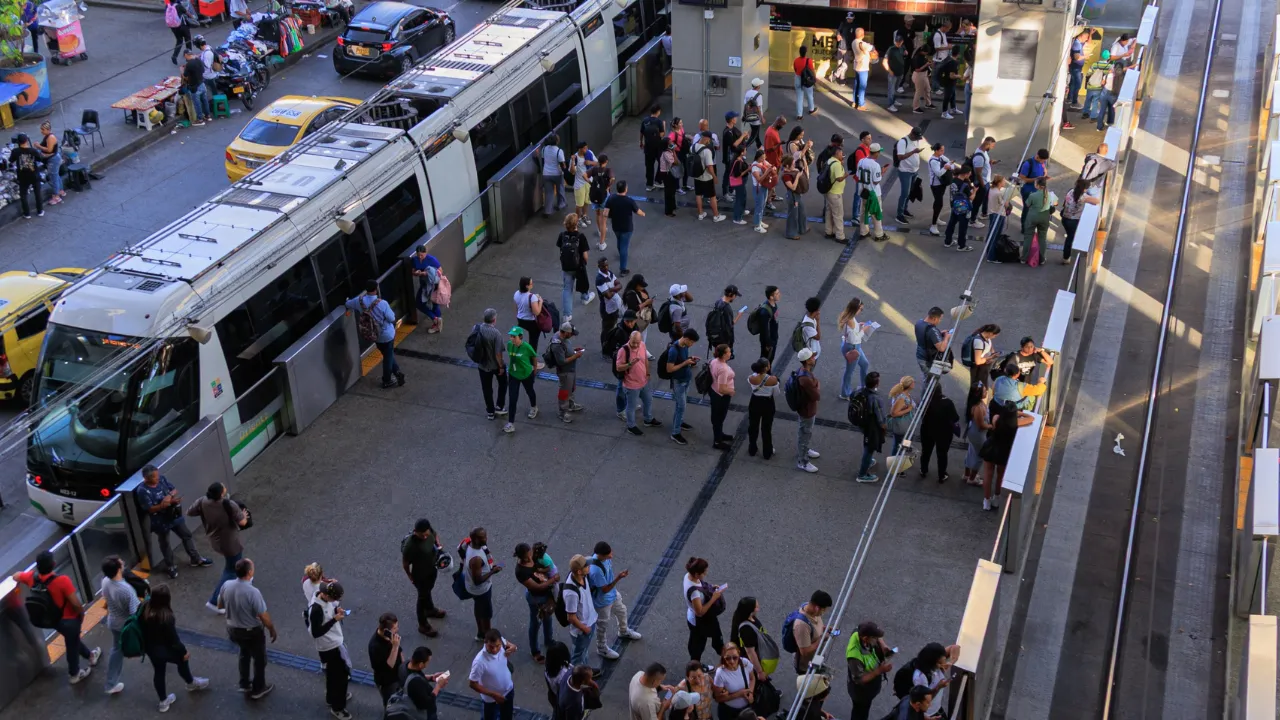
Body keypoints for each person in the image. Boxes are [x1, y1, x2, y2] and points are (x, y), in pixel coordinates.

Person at [140, 585, 209, 712]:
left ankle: (163, 701)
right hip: (165, 649)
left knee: (159, 672)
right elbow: (174, 640)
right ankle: (190, 682)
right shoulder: (166, 617)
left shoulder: (144, 607)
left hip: (150, 649)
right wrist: (184, 652)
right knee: (182, 660)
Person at [135, 465, 211, 580]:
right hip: (160, 520)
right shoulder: (142, 491)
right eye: (155, 477)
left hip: (173, 515)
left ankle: (195, 558)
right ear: (147, 478)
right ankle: (170, 566)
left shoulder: (162, 479)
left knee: (186, 535)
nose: (158, 478)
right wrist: (163, 505)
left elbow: (174, 489)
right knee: (165, 543)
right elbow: (150, 509)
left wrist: (169, 497)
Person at [217, 558, 276, 699]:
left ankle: (244, 683)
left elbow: (220, 605)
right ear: (249, 572)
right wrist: (271, 629)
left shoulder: (227, 585)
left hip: (233, 629)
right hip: (251, 631)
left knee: (244, 653)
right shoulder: (253, 592)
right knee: (260, 659)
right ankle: (258, 688)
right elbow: (264, 616)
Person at [186, 481, 247, 613]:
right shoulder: (228, 504)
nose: (225, 487)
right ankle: (214, 601)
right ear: (221, 493)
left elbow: (190, 512)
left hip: (216, 540)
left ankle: (242, 577)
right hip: (230, 542)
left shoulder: (202, 501)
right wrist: (245, 517)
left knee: (235, 562)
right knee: (230, 570)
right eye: (223, 487)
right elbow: (242, 522)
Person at [588, 542, 642, 660]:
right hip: (602, 601)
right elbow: (605, 589)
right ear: (600, 555)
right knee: (602, 625)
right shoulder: (595, 570)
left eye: (610, 552)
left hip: (612, 594)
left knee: (622, 611)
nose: (611, 556)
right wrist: (619, 577)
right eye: (608, 555)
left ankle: (623, 631)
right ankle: (601, 648)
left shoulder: (604, 559)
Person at [306, 580, 352, 720]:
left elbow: (331, 608)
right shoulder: (316, 610)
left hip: (333, 644)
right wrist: (334, 620)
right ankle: (338, 707)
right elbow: (316, 632)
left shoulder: (324, 598)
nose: (335, 601)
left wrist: (336, 611)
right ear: (326, 595)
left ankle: (332, 698)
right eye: (334, 599)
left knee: (333, 674)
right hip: (329, 647)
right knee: (341, 677)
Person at [346, 280, 403, 389]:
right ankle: (387, 380)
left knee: (387, 354)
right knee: (388, 356)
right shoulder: (382, 303)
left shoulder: (359, 301)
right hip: (387, 334)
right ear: (376, 289)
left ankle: (397, 372)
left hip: (373, 335)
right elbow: (392, 318)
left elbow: (348, 304)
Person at [980, 400, 1034, 510]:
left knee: (988, 474)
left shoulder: (996, 419)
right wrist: (1019, 413)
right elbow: (1031, 418)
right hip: (1004, 451)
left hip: (991, 447)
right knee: (1000, 475)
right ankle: (997, 498)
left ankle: (986, 501)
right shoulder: (1016, 423)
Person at [514, 543, 558, 663]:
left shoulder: (532, 557)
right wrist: (553, 580)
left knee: (548, 618)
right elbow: (537, 587)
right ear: (523, 556)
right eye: (529, 553)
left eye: (531, 552)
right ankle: (535, 651)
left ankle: (549, 640)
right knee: (536, 623)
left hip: (546, 594)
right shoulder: (521, 571)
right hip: (536, 599)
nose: (531, 554)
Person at [100, 555, 138, 695]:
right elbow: (135, 612)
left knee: (116, 649)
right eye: (120, 562)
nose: (123, 562)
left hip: (113, 621)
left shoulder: (105, 581)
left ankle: (111, 683)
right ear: (118, 569)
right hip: (125, 625)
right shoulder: (126, 590)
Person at [402, 518, 446, 638]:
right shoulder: (410, 545)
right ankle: (423, 625)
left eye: (426, 533)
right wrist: (410, 576)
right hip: (420, 574)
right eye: (422, 535)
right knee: (422, 597)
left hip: (432, 567)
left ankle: (430, 609)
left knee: (428, 590)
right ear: (416, 532)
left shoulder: (429, 531)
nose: (425, 536)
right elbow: (405, 563)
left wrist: (438, 544)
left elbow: (435, 535)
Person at [845, 622, 893, 720]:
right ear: (866, 638)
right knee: (860, 712)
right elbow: (859, 680)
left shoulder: (859, 631)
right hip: (861, 693)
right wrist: (879, 670)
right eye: (874, 638)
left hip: (870, 688)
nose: (877, 640)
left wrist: (883, 645)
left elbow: (878, 636)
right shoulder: (854, 656)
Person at [618, 330, 662, 435]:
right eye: (633, 342)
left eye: (638, 342)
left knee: (648, 400)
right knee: (631, 407)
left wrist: (647, 373)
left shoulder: (642, 345)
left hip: (644, 381)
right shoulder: (623, 351)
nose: (636, 345)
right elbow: (619, 367)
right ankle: (631, 426)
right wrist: (629, 364)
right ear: (629, 338)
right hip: (631, 384)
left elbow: (645, 360)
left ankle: (648, 419)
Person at [559, 555, 599, 668]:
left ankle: (586, 671)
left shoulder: (582, 576)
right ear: (579, 571)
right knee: (577, 657)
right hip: (582, 630)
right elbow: (571, 617)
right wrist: (584, 628)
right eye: (586, 565)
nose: (589, 566)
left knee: (583, 651)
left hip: (590, 622)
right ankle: (575, 678)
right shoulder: (571, 593)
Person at [683, 557, 726, 661]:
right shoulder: (694, 593)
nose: (706, 574)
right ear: (697, 574)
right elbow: (700, 612)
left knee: (700, 641)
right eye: (704, 572)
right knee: (698, 645)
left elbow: (700, 585)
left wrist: (710, 587)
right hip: (699, 622)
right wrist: (714, 598)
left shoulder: (688, 576)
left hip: (694, 618)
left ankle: (723, 653)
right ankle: (696, 666)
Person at [469, 629, 518, 720]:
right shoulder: (479, 662)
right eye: (491, 647)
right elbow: (473, 683)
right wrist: (494, 695)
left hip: (508, 691)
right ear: (485, 642)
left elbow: (512, 645)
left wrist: (513, 648)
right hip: (491, 701)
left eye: (497, 646)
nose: (495, 649)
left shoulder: (502, 642)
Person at [464, 528, 502, 638]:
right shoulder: (476, 559)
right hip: (481, 590)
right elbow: (478, 581)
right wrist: (492, 572)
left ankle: (481, 631)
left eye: (485, 536)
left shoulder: (470, 544)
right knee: (486, 613)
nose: (486, 539)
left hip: (472, 587)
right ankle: (487, 635)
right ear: (475, 539)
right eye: (482, 538)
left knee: (478, 607)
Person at [918, 385, 960, 483]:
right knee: (942, 454)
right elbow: (955, 418)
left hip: (927, 430)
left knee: (926, 452)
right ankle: (941, 475)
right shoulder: (948, 403)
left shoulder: (925, 401)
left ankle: (923, 470)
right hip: (944, 432)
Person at [730, 597, 778, 681]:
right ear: (750, 610)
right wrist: (759, 672)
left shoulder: (745, 616)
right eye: (756, 607)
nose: (758, 608)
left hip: (756, 650)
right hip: (752, 658)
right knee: (756, 680)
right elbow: (750, 652)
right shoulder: (746, 629)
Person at [666, 328, 700, 446]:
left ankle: (679, 422)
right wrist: (685, 363)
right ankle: (675, 433)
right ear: (686, 339)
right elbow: (669, 369)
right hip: (678, 382)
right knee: (681, 406)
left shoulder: (684, 346)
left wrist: (690, 359)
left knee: (681, 406)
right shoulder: (673, 350)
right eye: (692, 342)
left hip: (686, 379)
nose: (692, 344)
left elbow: (683, 360)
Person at [473, 308, 509, 421]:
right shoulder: (496, 333)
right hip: (494, 365)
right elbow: (498, 353)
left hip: (482, 365)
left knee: (487, 388)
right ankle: (499, 405)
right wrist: (501, 366)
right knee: (503, 384)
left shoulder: (476, 328)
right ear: (494, 319)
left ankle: (490, 411)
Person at [603, 181, 644, 275]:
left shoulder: (611, 198)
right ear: (625, 189)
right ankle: (623, 269)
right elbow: (638, 212)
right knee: (624, 246)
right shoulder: (629, 201)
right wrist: (643, 214)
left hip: (616, 226)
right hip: (627, 227)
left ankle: (621, 254)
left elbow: (605, 213)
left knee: (619, 241)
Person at [502, 326, 538, 433]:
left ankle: (534, 406)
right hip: (513, 375)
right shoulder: (509, 345)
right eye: (511, 336)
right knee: (512, 398)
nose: (511, 339)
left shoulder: (527, 347)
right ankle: (511, 423)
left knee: (530, 391)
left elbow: (534, 356)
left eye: (514, 337)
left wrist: (535, 368)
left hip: (526, 374)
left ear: (520, 337)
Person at [911, 642, 960, 718]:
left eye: (943, 660)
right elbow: (925, 700)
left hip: (937, 708)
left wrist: (951, 662)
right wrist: (939, 687)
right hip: (929, 714)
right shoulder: (920, 677)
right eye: (939, 662)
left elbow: (955, 647)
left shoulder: (937, 662)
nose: (942, 664)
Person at [400, 646, 449, 720]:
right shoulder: (415, 683)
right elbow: (427, 703)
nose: (427, 664)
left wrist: (431, 677)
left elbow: (414, 675)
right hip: (424, 715)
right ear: (421, 664)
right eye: (427, 662)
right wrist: (438, 686)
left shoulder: (405, 665)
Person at [837, 297, 873, 399]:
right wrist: (864, 329)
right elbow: (854, 339)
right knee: (849, 371)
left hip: (852, 346)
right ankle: (845, 393)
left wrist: (859, 325)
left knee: (865, 364)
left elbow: (851, 332)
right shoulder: (850, 321)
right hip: (852, 348)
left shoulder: (849, 316)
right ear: (855, 309)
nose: (861, 311)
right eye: (861, 309)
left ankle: (864, 386)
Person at [855, 372, 887, 483]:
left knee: (867, 443)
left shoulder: (859, 391)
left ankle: (867, 462)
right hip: (871, 427)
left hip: (862, 423)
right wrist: (884, 427)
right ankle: (862, 474)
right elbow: (880, 417)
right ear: (876, 384)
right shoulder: (876, 399)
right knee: (870, 448)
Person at [789, 591, 832, 673]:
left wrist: (824, 629)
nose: (823, 613)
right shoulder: (801, 625)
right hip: (808, 667)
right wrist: (821, 639)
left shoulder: (812, 611)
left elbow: (812, 630)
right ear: (817, 608)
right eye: (824, 610)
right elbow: (804, 651)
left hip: (816, 659)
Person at [1059, 176, 1100, 263]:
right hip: (1073, 221)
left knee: (1069, 236)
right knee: (1070, 238)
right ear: (1085, 189)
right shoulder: (1084, 197)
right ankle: (1066, 257)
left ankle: (1066, 257)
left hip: (1065, 218)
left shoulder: (1070, 191)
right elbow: (1097, 201)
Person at [712, 643, 757, 719]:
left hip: (746, 710)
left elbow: (752, 678)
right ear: (723, 657)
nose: (732, 661)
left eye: (735, 657)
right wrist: (738, 694)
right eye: (728, 658)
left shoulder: (745, 663)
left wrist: (750, 692)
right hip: (730, 712)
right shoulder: (720, 673)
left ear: (739, 654)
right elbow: (718, 698)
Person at [794, 348, 821, 473]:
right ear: (807, 361)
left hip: (806, 408)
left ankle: (804, 450)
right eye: (812, 357)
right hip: (807, 410)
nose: (814, 358)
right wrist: (817, 385)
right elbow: (816, 396)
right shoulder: (805, 378)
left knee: (804, 432)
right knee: (805, 433)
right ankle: (802, 461)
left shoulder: (803, 371)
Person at [856, 143, 889, 241]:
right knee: (876, 213)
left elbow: (858, 176)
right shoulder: (876, 165)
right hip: (873, 193)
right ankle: (879, 234)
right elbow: (876, 181)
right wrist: (882, 172)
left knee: (863, 212)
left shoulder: (861, 161)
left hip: (863, 191)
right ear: (876, 153)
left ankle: (863, 232)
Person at [747, 358, 779, 459]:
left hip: (755, 401)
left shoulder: (751, 378)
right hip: (767, 404)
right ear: (766, 367)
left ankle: (752, 448)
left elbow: (751, 384)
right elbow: (776, 393)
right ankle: (767, 452)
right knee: (766, 428)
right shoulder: (773, 379)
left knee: (753, 426)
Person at [368, 613, 404, 703]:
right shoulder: (375, 647)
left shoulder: (389, 637)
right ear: (386, 630)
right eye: (395, 628)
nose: (397, 630)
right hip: (388, 682)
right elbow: (389, 666)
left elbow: (400, 652)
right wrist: (395, 647)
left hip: (398, 675)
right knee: (391, 703)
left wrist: (404, 667)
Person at [963, 380, 993, 486]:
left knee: (972, 451)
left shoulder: (978, 403)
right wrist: (992, 426)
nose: (986, 392)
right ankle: (972, 478)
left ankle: (967, 474)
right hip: (978, 433)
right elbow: (981, 425)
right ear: (978, 393)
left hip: (976, 432)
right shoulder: (978, 408)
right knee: (980, 455)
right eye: (984, 391)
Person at [893, 127, 925, 223]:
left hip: (914, 170)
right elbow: (900, 157)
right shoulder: (903, 142)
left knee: (910, 192)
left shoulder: (916, 140)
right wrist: (913, 152)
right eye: (917, 137)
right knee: (905, 193)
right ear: (912, 134)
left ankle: (905, 210)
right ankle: (899, 214)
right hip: (905, 171)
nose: (918, 139)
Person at [409, 245, 444, 334]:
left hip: (433, 285)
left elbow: (440, 271)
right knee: (419, 303)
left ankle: (436, 323)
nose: (420, 257)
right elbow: (412, 271)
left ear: (425, 253)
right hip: (424, 285)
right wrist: (416, 273)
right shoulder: (415, 260)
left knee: (434, 303)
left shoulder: (431, 259)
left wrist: (426, 273)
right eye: (418, 255)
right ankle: (436, 319)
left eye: (422, 255)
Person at [694, 133, 727, 222]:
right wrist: (714, 176)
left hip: (696, 175)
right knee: (712, 196)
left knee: (698, 194)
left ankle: (700, 214)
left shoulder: (693, 147)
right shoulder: (706, 151)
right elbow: (710, 166)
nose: (709, 141)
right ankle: (716, 216)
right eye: (709, 139)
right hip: (706, 177)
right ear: (705, 138)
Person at [926, 144, 958, 236]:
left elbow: (951, 165)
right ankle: (933, 225)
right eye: (941, 150)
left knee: (939, 202)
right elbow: (939, 173)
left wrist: (949, 166)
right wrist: (945, 167)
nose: (943, 152)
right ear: (936, 151)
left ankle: (937, 218)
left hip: (942, 184)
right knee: (938, 203)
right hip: (936, 185)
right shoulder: (933, 161)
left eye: (943, 150)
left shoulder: (941, 157)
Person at [708, 343, 735, 450]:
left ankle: (719, 435)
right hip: (721, 396)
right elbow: (722, 388)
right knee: (719, 418)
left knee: (716, 417)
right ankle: (717, 441)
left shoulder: (714, 361)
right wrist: (731, 391)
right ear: (724, 355)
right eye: (728, 351)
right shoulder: (723, 369)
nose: (730, 353)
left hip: (713, 391)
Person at [9, 134, 43, 219]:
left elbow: (11, 160)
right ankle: (40, 211)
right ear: (27, 141)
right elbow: (40, 159)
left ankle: (27, 213)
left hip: (22, 176)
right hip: (34, 175)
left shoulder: (15, 151)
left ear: (18, 142)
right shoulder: (33, 151)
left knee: (23, 194)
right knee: (37, 193)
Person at [1017, 149, 1051, 232]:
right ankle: (1024, 228)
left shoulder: (1042, 162)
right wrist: (1036, 179)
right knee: (1027, 210)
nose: (1043, 162)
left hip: (1038, 190)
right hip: (1028, 191)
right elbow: (1022, 178)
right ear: (1038, 157)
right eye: (1043, 160)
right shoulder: (1028, 164)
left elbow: (1044, 170)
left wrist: (1045, 176)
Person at [1022, 177, 1053, 265]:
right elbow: (1055, 203)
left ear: (1038, 186)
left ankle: (1024, 258)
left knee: (1028, 237)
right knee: (1042, 238)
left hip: (1032, 217)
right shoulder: (1050, 195)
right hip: (1044, 218)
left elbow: (1027, 204)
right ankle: (1042, 259)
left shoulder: (1032, 195)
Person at [944, 164, 976, 251]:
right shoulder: (965, 185)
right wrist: (975, 192)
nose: (970, 175)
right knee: (963, 226)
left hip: (954, 205)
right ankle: (961, 245)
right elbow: (971, 197)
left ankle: (947, 241)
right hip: (963, 208)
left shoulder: (953, 180)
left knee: (952, 223)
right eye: (969, 174)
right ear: (966, 174)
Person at [914, 306, 952, 378]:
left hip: (920, 356)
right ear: (935, 319)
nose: (940, 321)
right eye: (940, 319)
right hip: (928, 361)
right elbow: (941, 348)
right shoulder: (932, 330)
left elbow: (925, 336)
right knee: (932, 380)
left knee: (927, 377)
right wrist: (946, 337)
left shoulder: (919, 323)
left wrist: (939, 334)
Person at [596, 259, 623, 356]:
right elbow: (608, 295)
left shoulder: (610, 273)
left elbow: (620, 284)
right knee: (607, 331)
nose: (606, 267)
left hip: (614, 306)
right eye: (603, 266)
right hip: (607, 309)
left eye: (607, 265)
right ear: (599, 266)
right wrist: (615, 289)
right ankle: (605, 352)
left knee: (613, 328)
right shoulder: (599, 279)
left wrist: (611, 289)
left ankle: (611, 347)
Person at [622, 274, 656, 349]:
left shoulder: (641, 290)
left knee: (644, 333)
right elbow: (634, 308)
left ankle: (642, 348)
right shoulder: (630, 294)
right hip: (637, 318)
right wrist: (646, 303)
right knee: (638, 334)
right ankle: (639, 349)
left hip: (644, 317)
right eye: (641, 286)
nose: (643, 287)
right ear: (636, 285)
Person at [968, 136, 996, 226]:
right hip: (981, 183)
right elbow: (978, 173)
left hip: (985, 181)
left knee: (982, 200)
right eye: (992, 146)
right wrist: (983, 185)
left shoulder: (984, 152)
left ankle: (980, 215)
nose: (993, 148)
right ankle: (972, 220)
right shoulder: (979, 156)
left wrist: (990, 163)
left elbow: (984, 166)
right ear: (987, 144)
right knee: (977, 202)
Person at [886, 376, 917, 456]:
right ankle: (894, 462)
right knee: (898, 445)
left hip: (906, 426)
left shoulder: (905, 394)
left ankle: (901, 456)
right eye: (913, 382)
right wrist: (908, 409)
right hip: (902, 427)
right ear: (909, 384)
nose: (914, 383)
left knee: (901, 443)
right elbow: (894, 413)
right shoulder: (902, 398)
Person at [822, 146, 848, 241]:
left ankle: (829, 231)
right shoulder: (837, 165)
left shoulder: (830, 161)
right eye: (841, 153)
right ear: (837, 154)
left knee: (829, 212)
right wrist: (845, 175)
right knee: (838, 215)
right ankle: (840, 236)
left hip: (828, 191)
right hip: (835, 193)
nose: (843, 155)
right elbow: (838, 178)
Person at [34, 122, 63, 205]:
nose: (41, 131)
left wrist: (38, 146)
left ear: (48, 130)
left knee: (53, 178)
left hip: (53, 160)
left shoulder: (50, 137)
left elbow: (49, 150)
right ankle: (60, 190)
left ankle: (56, 196)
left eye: (43, 129)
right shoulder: (47, 136)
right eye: (41, 129)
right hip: (53, 159)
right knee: (56, 176)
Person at [513, 276, 544, 351]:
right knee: (533, 341)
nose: (532, 285)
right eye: (531, 283)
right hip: (531, 321)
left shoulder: (516, 293)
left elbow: (517, 306)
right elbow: (536, 312)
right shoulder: (532, 297)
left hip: (520, 319)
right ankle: (532, 360)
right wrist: (540, 302)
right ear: (527, 286)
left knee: (519, 337)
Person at [181, 49, 211, 125]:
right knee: (204, 101)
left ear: (186, 55)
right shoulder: (198, 60)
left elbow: (185, 76)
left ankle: (200, 119)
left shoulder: (189, 64)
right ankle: (208, 116)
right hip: (202, 84)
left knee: (197, 104)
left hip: (195, 87)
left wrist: (182, 71)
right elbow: (203, 70)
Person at [782, 156, 809, 239]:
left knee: (802, 212)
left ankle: (803, 228)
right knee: (793, 215)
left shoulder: (793, 171)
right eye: (792, 164)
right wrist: (797, 176)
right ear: (787, 166)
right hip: (792, 196)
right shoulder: (785, 176)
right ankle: (790, 233)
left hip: (797, 195)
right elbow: (793, 187)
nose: (794, 165)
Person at [570, 142, 596, 226]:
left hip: (588, 182)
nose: (586, 149)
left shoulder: (590, 153)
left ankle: (584, 215)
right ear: (580, 149)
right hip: (579, 184)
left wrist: (590, 163)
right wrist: (573, 160)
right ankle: (578, 219)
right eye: (584, 148)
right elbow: (572, 172)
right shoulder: (575, 157)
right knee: (579, 204)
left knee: (586, 201)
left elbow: (597, 163)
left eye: (586, 147)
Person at [541, 134, 568, 217]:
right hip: (557, 174)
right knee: (560, 188)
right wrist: (566, 170)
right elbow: (562, 164)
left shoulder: (544, 149)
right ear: (556, 141)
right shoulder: (559, 151)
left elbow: (543, 161)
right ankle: (561, 204)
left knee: (549, 192)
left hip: (546, 173)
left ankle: (548, 211)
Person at [749, 149, 776, 233]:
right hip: (759, 188)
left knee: (763, 205)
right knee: (759, 207)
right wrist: (767, 171)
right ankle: (757, 226)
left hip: (764, 187)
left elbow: (770, 165)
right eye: (762, 158)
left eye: (764, 158)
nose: (764, 160)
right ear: (757, 157)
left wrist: (773, 168)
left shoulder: (763, 162)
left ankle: (759, 221)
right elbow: (759, 179)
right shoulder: (754, 167)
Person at [640, 106, 666, 191]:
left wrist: (641, 142)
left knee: (649, 166)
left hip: (648, 146)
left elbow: (641, 132)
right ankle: (658, 180)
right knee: (661, 162)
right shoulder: (659, 122)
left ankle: (649, 184)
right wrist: (664, 127)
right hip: (657, 147)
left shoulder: (645, 120)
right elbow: (662, 135)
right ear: (658, 111)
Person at [722, 111, 747, 199]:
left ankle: (731, 190)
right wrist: (743, 136)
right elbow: (735, 144)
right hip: (729, 158)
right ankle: (725, 193)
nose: (736, 119)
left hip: (734, 156)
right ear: (732, 120)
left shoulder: (733, 130)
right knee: (728, 174)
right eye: (735, 118)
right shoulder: (727, 132)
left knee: (732, 174)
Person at [849, 27, 875, 110]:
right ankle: (861, 104)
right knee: (862, 86)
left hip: (856, 66)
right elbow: (872, 48)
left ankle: (855, 101)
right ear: (862, 34)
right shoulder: (862, 43)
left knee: (856, 85)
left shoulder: (853, 42)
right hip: (863, 67)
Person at [763, 115, 786, 207]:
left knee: (774, 180)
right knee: (771, 181)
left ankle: (773, 195)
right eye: (782, 125)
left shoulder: (774, 130)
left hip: (776, 160)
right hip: (771, 162)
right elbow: (768, 149)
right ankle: (768, 201)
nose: (783, 127)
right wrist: (780, 144)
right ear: (779, 123)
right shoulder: (770, 133)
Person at [757, 285, 781, 364]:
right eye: (777, 294)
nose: (779, 294)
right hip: (768, 340)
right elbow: (764, 330)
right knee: (766, 359)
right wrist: (768, 343)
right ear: (771, 297)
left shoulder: (773, 304)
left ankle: (767, 373)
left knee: (770, 359)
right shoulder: (765, 312)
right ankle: (763, 374)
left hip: (773, 336)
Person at [884, 34, 907, 112]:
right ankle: (890, 104)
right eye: (896, 42)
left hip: (900, 72)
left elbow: (905, 53)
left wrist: (905, 53)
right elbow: (884, 61)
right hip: (893, 73)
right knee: (891, 89)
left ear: (902, 42)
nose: (897, 43)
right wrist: (890, 71)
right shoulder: (891, 49)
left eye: (899, 42)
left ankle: (894, 100)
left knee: (896, 88)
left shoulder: (902, 48)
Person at [937, 45, 962, 119]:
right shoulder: (954, 63)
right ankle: (944, 113)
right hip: (949, 82)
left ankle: (953, 109)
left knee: (952, 95)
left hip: (947, 81)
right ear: (958, 54)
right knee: (947, 97)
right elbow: (952, 76)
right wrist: (959, 76)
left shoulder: (948, 59)